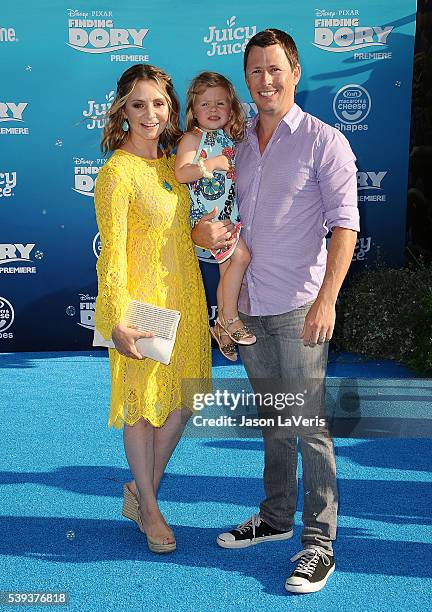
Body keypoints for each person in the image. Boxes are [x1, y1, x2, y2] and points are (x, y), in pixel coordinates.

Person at [192, 29, 359, 593]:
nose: (266, 80)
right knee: (275, 422)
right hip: (248, 307)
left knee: (309, 425)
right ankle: (275, 517)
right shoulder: (233, 145)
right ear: (247, 80)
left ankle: (319, 542)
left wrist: (327, 299)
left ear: (295, 71)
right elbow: (215, 222)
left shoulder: (324, 142)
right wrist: (226, 310)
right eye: (256, 71)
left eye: (275, 69)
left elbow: (345, 226)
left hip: (298, 307)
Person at [94, 64, 211, 554]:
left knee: (181, 404)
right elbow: (113, 251)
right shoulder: (116, 172)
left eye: (158, 104)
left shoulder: (173, 165)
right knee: (142, 411)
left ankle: (142, 494)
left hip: (184, 295)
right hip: (140, 304)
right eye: (138, 104)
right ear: (123, 109)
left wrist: (203, 236)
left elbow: (180, 232)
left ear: (170, 109)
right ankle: (151, 509)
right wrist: (116, 319)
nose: (149, 114)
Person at [175, 71, 256, 362]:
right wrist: (211, 163)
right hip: (209, 218)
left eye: (220, 104)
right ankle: (229, 318)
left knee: (229, 269)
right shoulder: (192, 138)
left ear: (231, 109)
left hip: (228, 215)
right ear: (193, 110)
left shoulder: (228, 138)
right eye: (205, 104)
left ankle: (221, 329)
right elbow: (181, 173)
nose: (212, 110)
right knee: (242, 257)